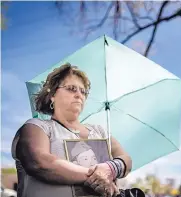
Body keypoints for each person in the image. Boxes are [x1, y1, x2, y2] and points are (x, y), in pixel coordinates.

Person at [11, 63, 132, 197]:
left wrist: (111, 168)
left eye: (83, 91)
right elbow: (39, 162)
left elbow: (126, 159)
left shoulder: (99, 131)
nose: (79, 95)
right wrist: (97, 177)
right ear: (52, 94)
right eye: (71, 89)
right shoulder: (36, 126)